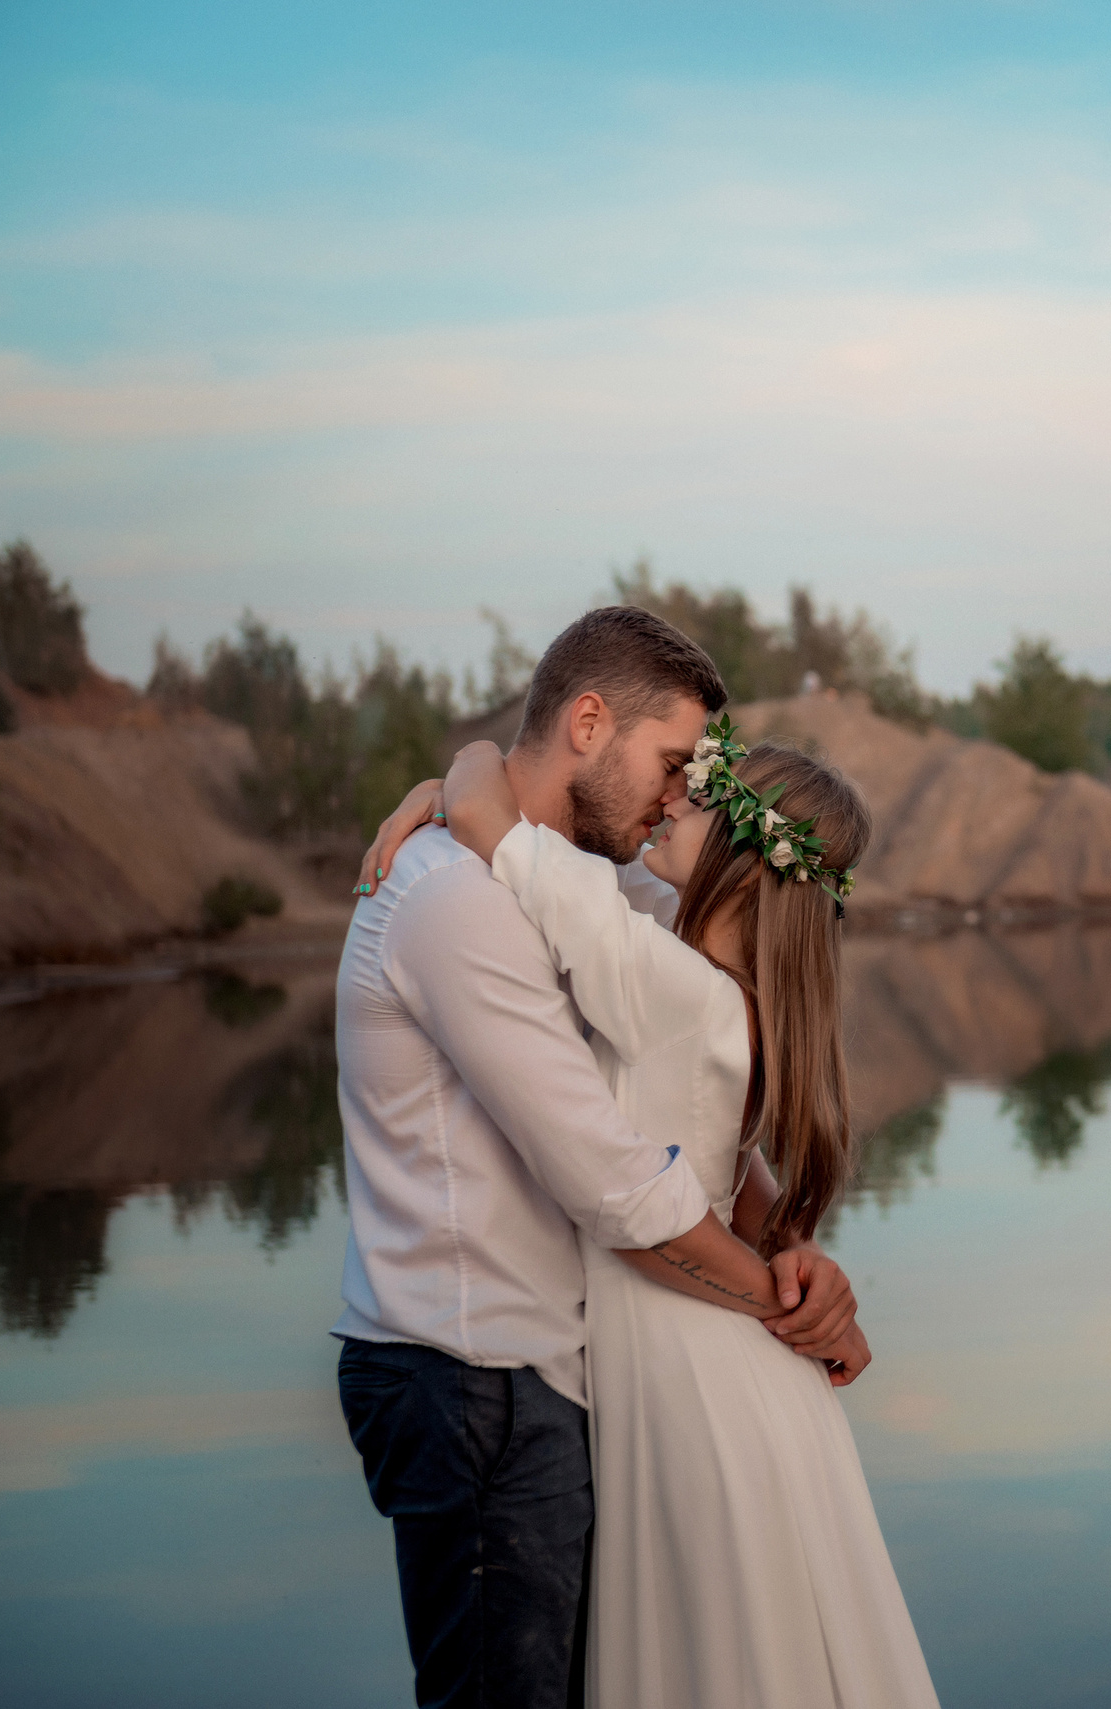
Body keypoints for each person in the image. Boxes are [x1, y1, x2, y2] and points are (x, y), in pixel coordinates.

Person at [333, 606, 862, 1709]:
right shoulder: (457, 901)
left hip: (557, 1376)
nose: (679, 796)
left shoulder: (595, 893)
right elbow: (618, 1179)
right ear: (587, 722)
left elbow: (691, 1122)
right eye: (674, 763)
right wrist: (775, 1284)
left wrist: (785, 1239)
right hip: (471, 1371)